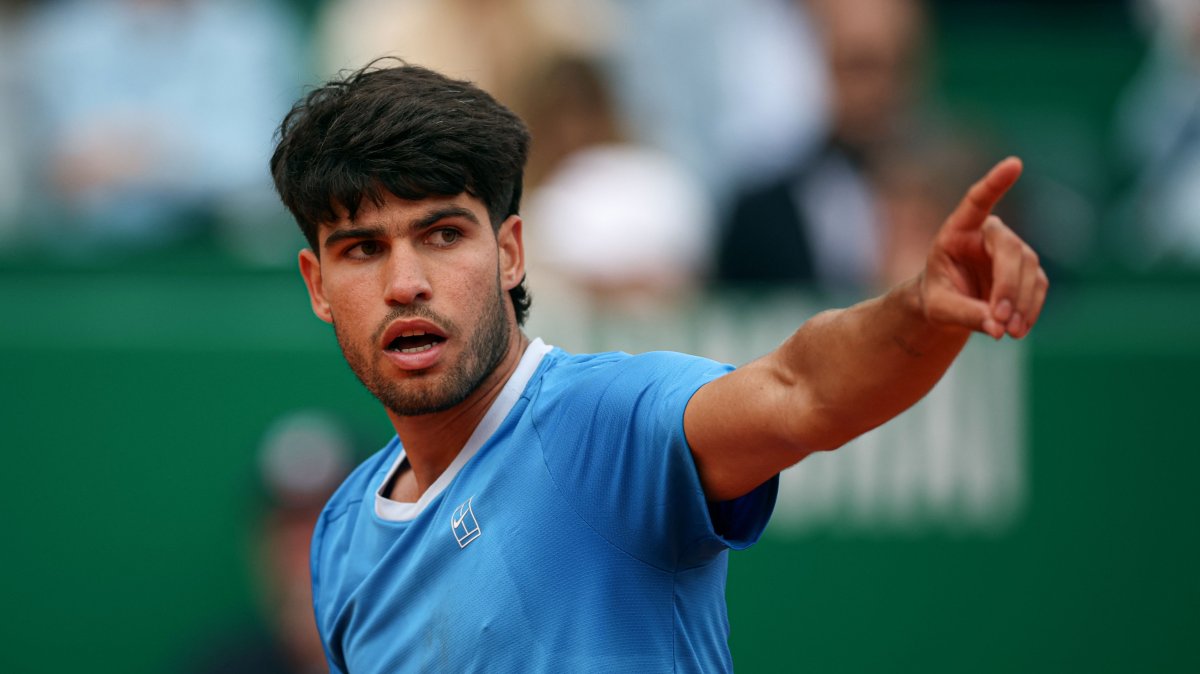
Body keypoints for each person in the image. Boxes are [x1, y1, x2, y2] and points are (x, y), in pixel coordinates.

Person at [268, 61, 1048, 672]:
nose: (406, 282)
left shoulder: (604, 420)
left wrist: (918, 310)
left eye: (443, 235)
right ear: (317, 285)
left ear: (510, 253)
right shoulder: (340, 538)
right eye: (363, 249)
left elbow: (802, 390)